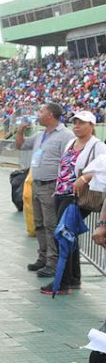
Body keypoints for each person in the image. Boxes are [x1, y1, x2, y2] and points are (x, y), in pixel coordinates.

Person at [41, 111, 106, 294]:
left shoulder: (98, 146)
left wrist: (84, 177)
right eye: (75, 122)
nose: (77, 125)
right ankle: (74, 278)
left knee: (62, 234)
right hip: (63, 193)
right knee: (69, 235)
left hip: (79, 196)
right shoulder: (71, 143)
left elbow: (103, 168)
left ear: (91, 126)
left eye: (82, 122)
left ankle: (63, 282)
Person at [16, 103, 74, 277]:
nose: (38, 114)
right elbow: (21, 146)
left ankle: (52, 262)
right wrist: (20, 131)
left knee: (50, 225)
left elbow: (69, 161)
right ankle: (42, 257)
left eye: (41, 111)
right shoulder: (41, 135)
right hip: (37, 183)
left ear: (50, 115)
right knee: (39, 223)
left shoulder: (66, 136)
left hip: (51, 185)